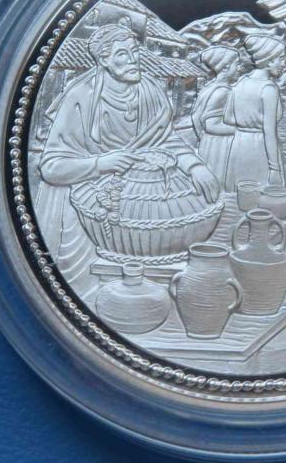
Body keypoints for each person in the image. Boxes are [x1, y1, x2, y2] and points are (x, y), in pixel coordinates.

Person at [34, 24, 218, 295]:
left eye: (135, 52)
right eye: (122, 54)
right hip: (88, 212)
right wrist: (100, 164)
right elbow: (51, 167)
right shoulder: (81, 98)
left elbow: (165, 138)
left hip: (141, 202)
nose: (133, 60)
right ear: (104, 59)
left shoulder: (149, 89)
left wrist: (196, 166)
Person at [223, 34, 286, 191]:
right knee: (263, 196)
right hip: (260, 148)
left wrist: (245, 123)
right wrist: (274, 169)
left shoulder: (240, 83)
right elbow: (269, 131)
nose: (284, 64)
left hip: (239, 145)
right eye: (281, 59)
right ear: (269, 60)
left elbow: (228, 118)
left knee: (238, 194)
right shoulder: (269, 89)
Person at [191, 46, 241, 185]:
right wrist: (240, 131)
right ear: (225, 67)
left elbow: (196, 117)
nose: (240, 68)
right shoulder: (222, 92)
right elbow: (211, 125)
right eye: (237, 64)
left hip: (209, 144)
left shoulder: (209, 88)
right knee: (219, 181)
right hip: (219, 146)